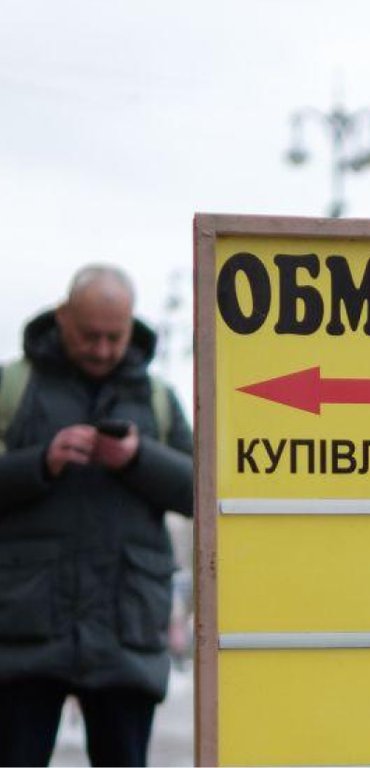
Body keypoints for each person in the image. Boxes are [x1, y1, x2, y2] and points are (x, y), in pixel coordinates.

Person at [0, 265, 193, 767]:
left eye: (115, 336)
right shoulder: (13, 387)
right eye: (90, 335)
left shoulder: (158, 398)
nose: (103, 349)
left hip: (124, 634)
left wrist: (139, 458)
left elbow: (202, 491)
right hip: (25, 633)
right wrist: (39, 463)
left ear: (131, 325)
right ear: (63, 317)